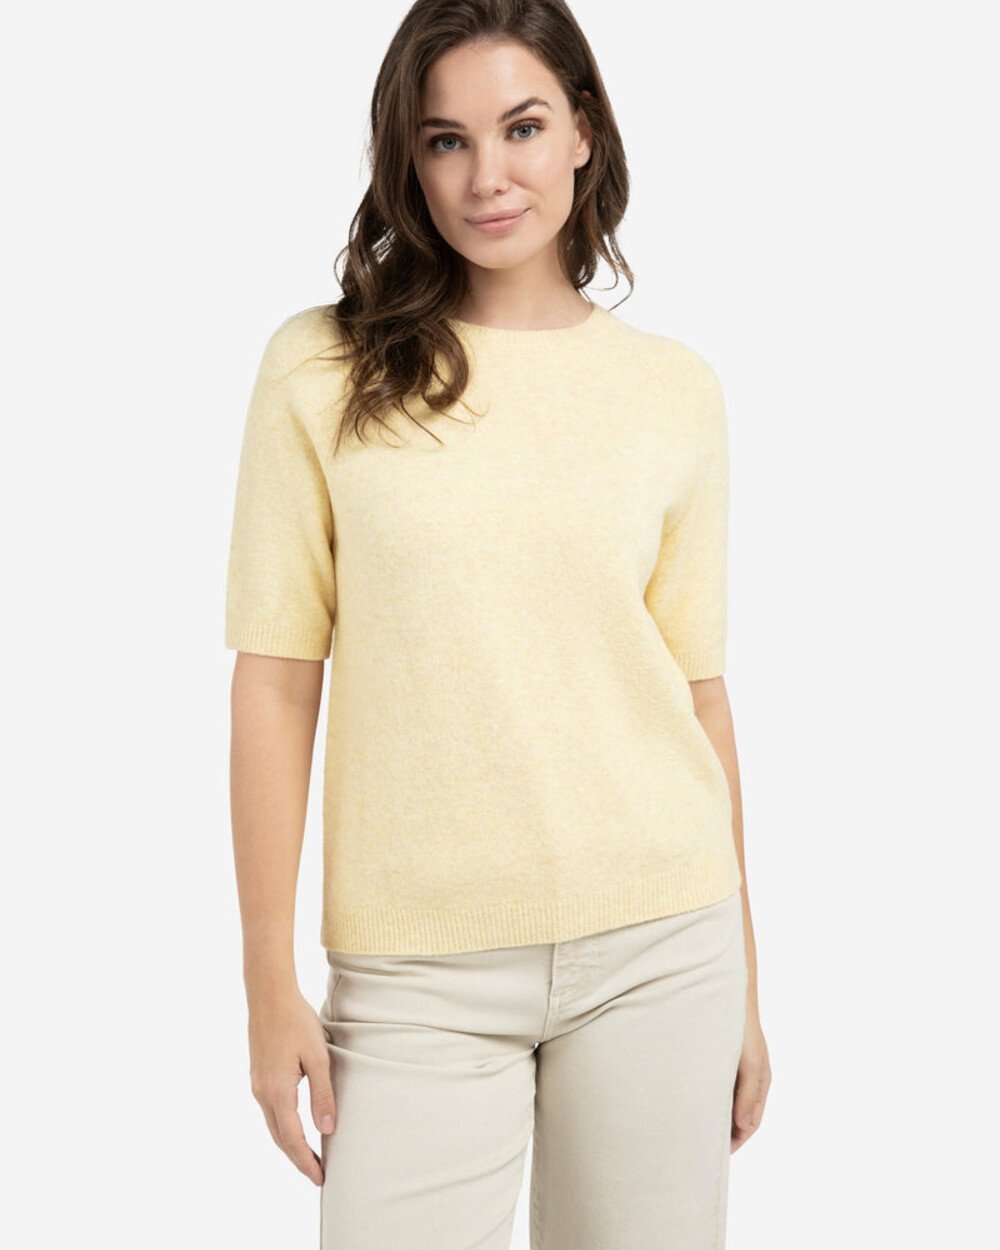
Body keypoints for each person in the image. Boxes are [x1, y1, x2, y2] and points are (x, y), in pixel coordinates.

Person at [224, 0, 771, 1245]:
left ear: (582, 131)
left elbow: (697, 694)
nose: (487, 177)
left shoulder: (673, 391)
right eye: (445, 140)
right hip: (416, 970)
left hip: (660, 946)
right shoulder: (323, 370)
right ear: (408, 161)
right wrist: (266, 981)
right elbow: (275, 679)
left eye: (521, 128)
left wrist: (746, 981)